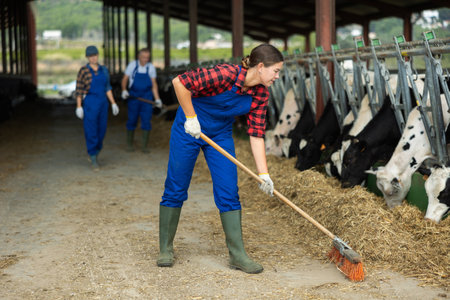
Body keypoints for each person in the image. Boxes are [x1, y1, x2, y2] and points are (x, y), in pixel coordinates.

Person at [158, 44, 284, 274]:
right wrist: (191, 117)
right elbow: (180, 83)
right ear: (260, 66)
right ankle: (165, 249)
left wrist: (263, 173)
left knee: (228, 190)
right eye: (275, 71)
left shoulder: (261, 94)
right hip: (189, 128)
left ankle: (237, 255)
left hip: (220, 134)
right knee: (176, 186)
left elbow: (256, 135)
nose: (277, 76)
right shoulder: (225, 74)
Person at [75, 45, 119, 170]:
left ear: (98, 55)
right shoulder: (83, 71)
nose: (93, 58)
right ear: (87, 57)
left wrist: (113, 103)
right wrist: (79, 106)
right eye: (90, 56)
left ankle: (96, 150)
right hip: (90, 102)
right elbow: (79, 90)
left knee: (102, 129)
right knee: (91, 130)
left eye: (95, 55)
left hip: (103, 103)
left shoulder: (104, 70)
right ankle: (93, 156)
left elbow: (107, 88)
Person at [121, 48, 163, 153]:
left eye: (147, 58)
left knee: (146, 120)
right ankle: (129, 145)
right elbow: (125, 79)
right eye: (143, 57)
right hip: (134, 96)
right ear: (139, 56)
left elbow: (154, 84)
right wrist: (124, 90)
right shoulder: (132, 65)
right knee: (132, 119)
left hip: (147, 97)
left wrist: (157, 98)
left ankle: (144, 146)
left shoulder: (151, 68)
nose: (145, 59)